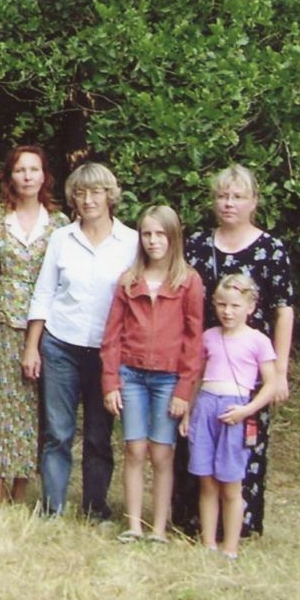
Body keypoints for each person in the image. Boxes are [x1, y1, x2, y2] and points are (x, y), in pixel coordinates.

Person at [174, 164, 295, 538]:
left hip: (251, 366)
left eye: (237, 196)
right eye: (223, 196)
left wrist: (280, 373)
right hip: (203, 362)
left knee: (244, 448)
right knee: (195, 442)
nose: (229, 203)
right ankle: (192, 522)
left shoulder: (271, 249)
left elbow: (283, 310)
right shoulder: (196, 245)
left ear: (253, 202)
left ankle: (239, 526)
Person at [23, 162, 136, 519]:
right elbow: (43, 293)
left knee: (99, 436)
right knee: (58, 432)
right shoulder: (61, 239)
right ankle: (53, 507)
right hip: (61, 345)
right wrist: (32, 346)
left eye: (97, 192)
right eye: (81, 193)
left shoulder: (131, 242)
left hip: (108, 352)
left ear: (110, 195)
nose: (89, 200)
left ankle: (95, 508)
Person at [100, 205, 204, 543]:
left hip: (168, 379)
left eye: (160, 234)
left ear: (173, 237)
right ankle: (132, 524)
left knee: (162, 454)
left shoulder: (188, 281)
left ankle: (158, 528)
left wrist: (184, 390)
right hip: (131, 376)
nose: (153, 241)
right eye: (147, 234)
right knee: (134, 449)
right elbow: (112, 336)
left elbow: (194, 339)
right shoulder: (129, 280)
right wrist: (110, 381)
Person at [0, 146, 68, 504]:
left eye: (34, 169)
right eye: (20, 170)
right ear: (9, 176)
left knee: (32, 408)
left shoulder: (59, 224)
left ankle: (23, 487)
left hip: (43, 324)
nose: (27, 176)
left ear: (45, 175)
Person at [180, 274, 279, 559]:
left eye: (235, 306)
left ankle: (231, 547)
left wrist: (247, 410)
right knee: (206, 480)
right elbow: (196, 378)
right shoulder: (208, 337)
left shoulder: (258, 341)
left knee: (231, 483)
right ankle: (208, 542)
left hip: (235, 410)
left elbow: (270, 384)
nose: (227, 311)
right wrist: (188, 411)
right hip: (206, 406)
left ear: (250, 307)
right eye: (222, 305)